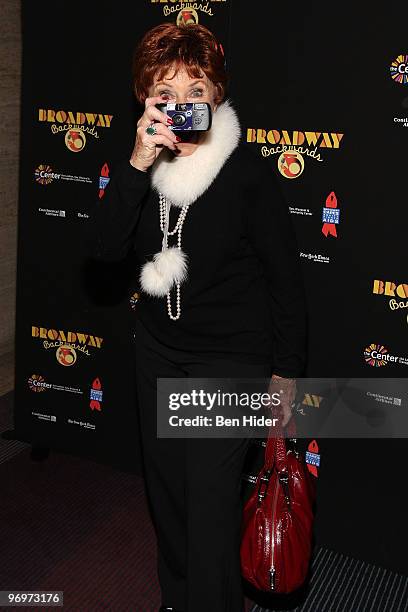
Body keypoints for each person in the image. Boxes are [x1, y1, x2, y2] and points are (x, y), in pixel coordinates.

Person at [84, 21, 308, 612]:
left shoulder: (246, 174)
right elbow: (105, 251)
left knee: (209, 512)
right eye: (166, 92)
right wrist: (135, 162)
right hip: (157, 354)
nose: (181, 105)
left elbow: (287, 281)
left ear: (217, 95)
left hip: (229, 360)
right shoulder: (141, 163)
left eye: (196, 90)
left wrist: (285, 375)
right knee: (171, 501)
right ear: (145, 99)